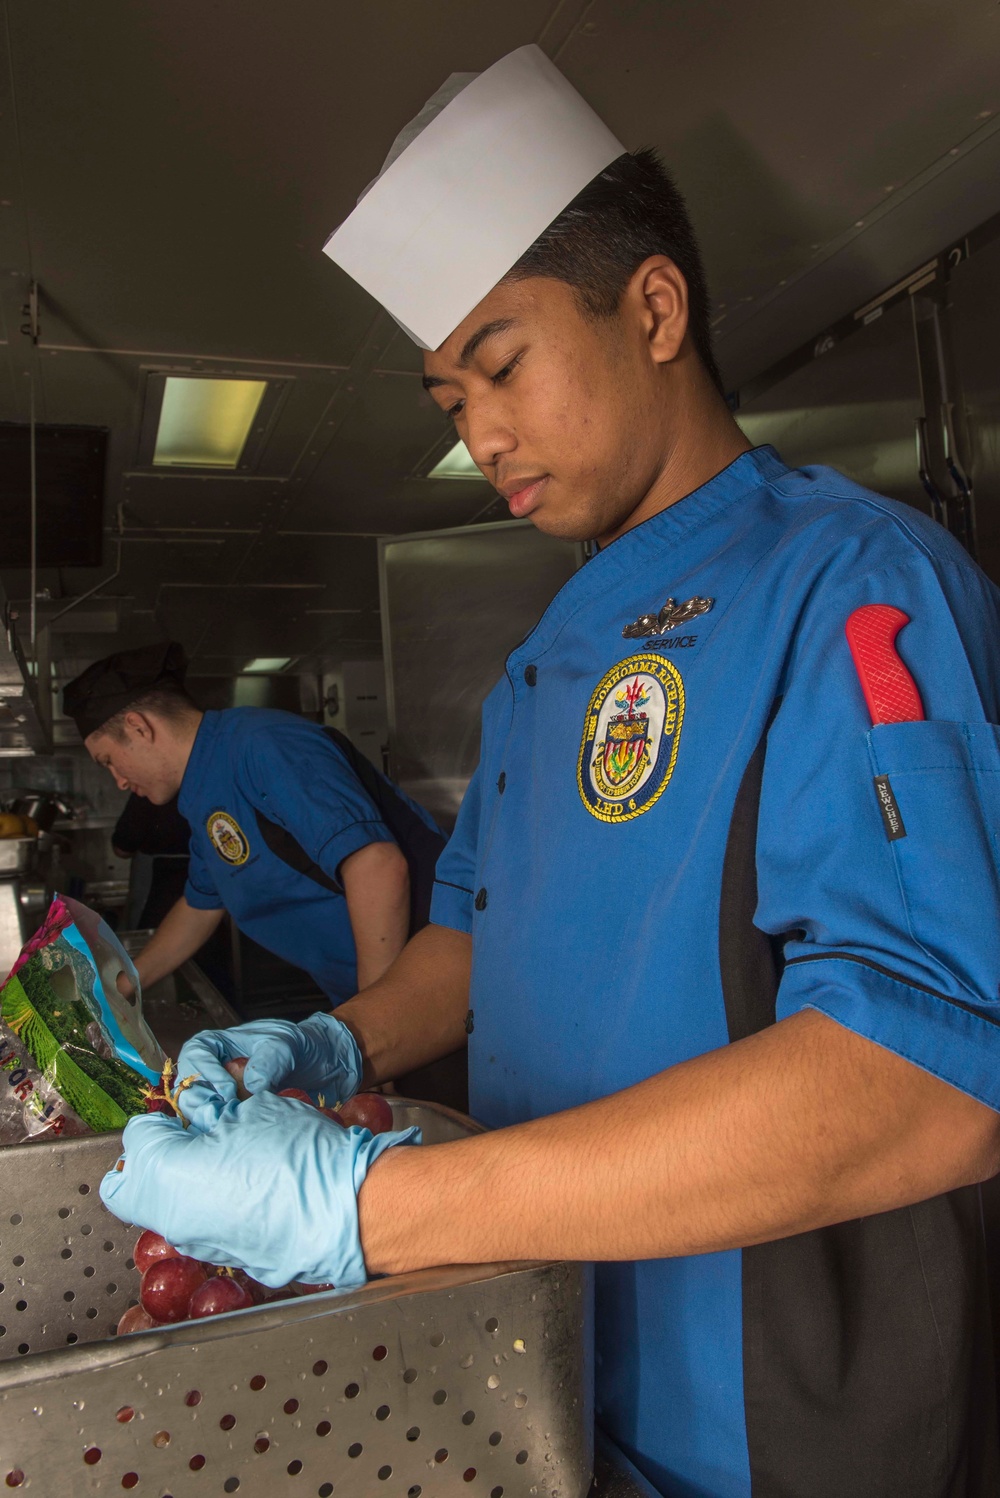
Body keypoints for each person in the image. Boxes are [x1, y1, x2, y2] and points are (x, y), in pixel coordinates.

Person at [100, 46, 1000, 1498]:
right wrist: (333, 1047)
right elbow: (472, 943)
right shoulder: (541, 663)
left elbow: (932, 1077)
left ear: (654, 307)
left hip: (772, 1422)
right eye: (451, 398)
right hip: (549, 1365)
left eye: (503, 364)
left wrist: (372, 1205)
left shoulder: (847, 582)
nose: (483, 433)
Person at [64, 642, 457, 1100]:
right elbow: (200, 905)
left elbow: (378, 866)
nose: (118, 780)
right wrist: (123, 986)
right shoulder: (199, 789)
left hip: (430, 992)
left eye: (109, 760)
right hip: (371, 1007)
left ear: (138, 726)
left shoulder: (262, 745)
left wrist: (372, 1027)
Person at [113, 792, 191, 929]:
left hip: (157, 886)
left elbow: (122, 847)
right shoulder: (204, 786)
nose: (121, 783)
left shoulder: (148, 791)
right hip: (201, 887)